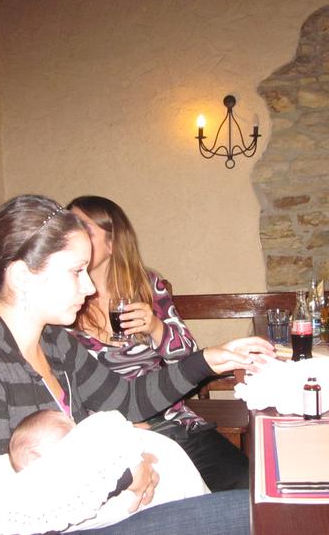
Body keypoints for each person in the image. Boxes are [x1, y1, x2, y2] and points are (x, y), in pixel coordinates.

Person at [0, 194, 272, 534]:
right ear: (22, 277)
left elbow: (127, 400)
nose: (89, 287)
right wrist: (125, 475)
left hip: (85, 513)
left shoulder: (53, 341)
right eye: (76, 271)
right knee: (256, 516)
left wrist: (207, 360)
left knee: (263, 506)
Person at [67, 195, 249, 491]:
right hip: (108, 436)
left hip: (170, 420)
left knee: (242, 481)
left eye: (84, 228)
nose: (72, 234)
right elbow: (62, 386)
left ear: (113, 243)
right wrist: (117, 428)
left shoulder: (146, 286)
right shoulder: (63, 299)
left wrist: (156, 327)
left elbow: (188, 358)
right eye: (69, 225)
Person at [0, 409, 209, 532]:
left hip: (171, 486)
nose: (77, 437)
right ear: (32, 457)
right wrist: (128, 473)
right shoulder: (37, 494)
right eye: (67, 435)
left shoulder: (59, 345)